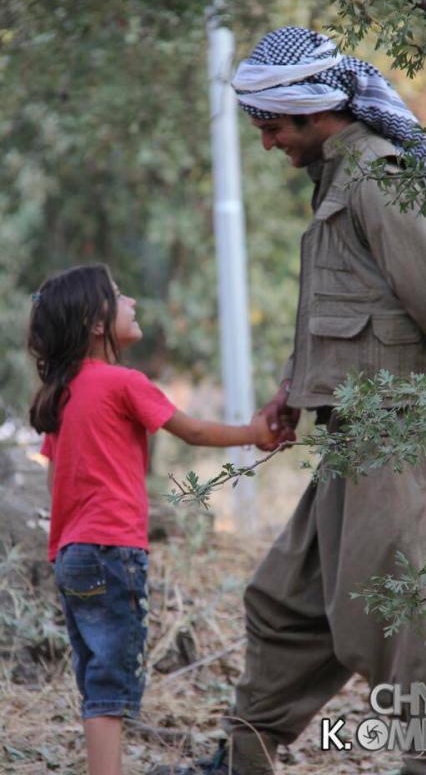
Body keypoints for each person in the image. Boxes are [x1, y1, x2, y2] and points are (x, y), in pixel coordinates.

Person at [156, 27, 426, 775]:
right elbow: (344, 304)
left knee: (410, 626)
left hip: (409, 438)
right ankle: (240, 758)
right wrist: (292, 388)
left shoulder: (375, 175)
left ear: (312, 112)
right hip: (357, 438)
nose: (268, 142)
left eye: (271, 126)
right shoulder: (339, 179)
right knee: (285, 602)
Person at [28, 263, 276, 775]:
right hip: (113, 551)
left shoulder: (64, 393)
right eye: (120, 297)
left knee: (96, 679)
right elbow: (195, 433)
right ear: (97, 324)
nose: (133, 302)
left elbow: (57, 485)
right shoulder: (124, 383)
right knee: (112, 685)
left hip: (71, 555)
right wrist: (255, 432)